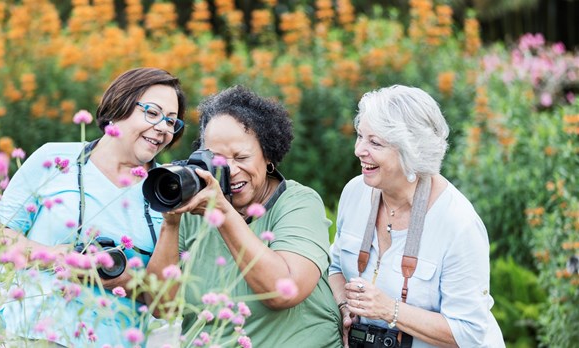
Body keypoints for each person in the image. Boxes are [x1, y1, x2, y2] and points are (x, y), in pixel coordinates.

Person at [0, 67, 186, 347]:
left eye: (172, 122)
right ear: (120, 105)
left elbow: (165, 304)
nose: (163, 127)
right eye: (152, 113)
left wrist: (125, 281)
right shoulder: (54, 158)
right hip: (33, 335)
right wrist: (57, 257)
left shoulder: (167, 190)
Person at [146, 85, 342, 346]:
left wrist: (223, 213)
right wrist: (170, 222)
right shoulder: (193, 209)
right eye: (216, 159)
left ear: (268, 155)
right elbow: (162, 308)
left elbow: (284, 291)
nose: (230, 170)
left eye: (241, 157)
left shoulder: (298, 203)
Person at [329, 85, 504, 347]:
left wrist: (389, 310)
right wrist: (344, 307)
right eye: (360, 136)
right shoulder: (355, 192)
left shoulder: (458, 224)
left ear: (412, 152)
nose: (359, 150)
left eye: (374, 142)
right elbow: (335, 269)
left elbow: (469, 332)